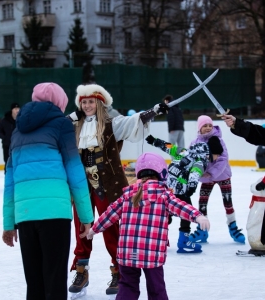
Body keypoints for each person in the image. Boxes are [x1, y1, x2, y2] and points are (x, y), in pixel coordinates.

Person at [67, 83, 168, 297]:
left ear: (100, 103)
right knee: (82, 227)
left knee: (112, 228)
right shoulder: (74, 124)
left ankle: (118, 270)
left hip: (108, 184)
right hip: (82, 186)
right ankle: (81, 269)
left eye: (91, 101)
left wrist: (154, 111)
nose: (87, 105)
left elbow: (134, 121)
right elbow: (55, 126)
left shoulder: (113, 124)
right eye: (83, 102)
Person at [2, 82, 94, 300]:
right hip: (55, 214)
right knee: (54, 280)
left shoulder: (17, 131)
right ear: (60, 103)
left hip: (26, 215)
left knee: (34, 283)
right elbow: (74, 169)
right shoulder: (62, 125)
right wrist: (86, 216)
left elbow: (10, 182)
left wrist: (8, 224)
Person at [86, 152, 210, 300]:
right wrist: (197, 216)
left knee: (127, 286)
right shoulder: (163, 195)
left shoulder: (128, 195)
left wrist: (94, 229)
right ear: (162, 173)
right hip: (152, 254)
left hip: (127, 253)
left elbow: (109, 214)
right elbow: (181, 207)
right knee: (156, 289)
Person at [146, 134, 218, 253]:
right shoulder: (201, 160)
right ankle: (183, 241)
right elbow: (195, 173)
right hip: (180, 191)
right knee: (186, 213)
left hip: (167, 187)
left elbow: (168, 146)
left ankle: (156, 239)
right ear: (207, 154)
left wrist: (155, 141)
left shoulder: (183, 151)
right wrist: (192, 187)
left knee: (165, 212)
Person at [188, 115, 245, 244]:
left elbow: (223, 159)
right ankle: (202, 230)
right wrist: (201, 175)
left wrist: (211, 174)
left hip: (222, 175)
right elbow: (192, 160)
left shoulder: (218, 140)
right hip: (207, 177)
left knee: (228, 203)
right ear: (199, 128)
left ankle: (233, 227)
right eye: (205, 126)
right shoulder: (195, 142)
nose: (208, 128)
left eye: (210, 125)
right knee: (202, 203)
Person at [0, 102, 20, 173]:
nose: (17, 110)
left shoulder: (21, 119)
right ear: (12, 110)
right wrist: (5, 138)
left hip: (18, 145)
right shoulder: (4, 120)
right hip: (7, 145)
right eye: (15, 109)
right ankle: (7, 176)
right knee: (7, 161)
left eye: (18, 108)